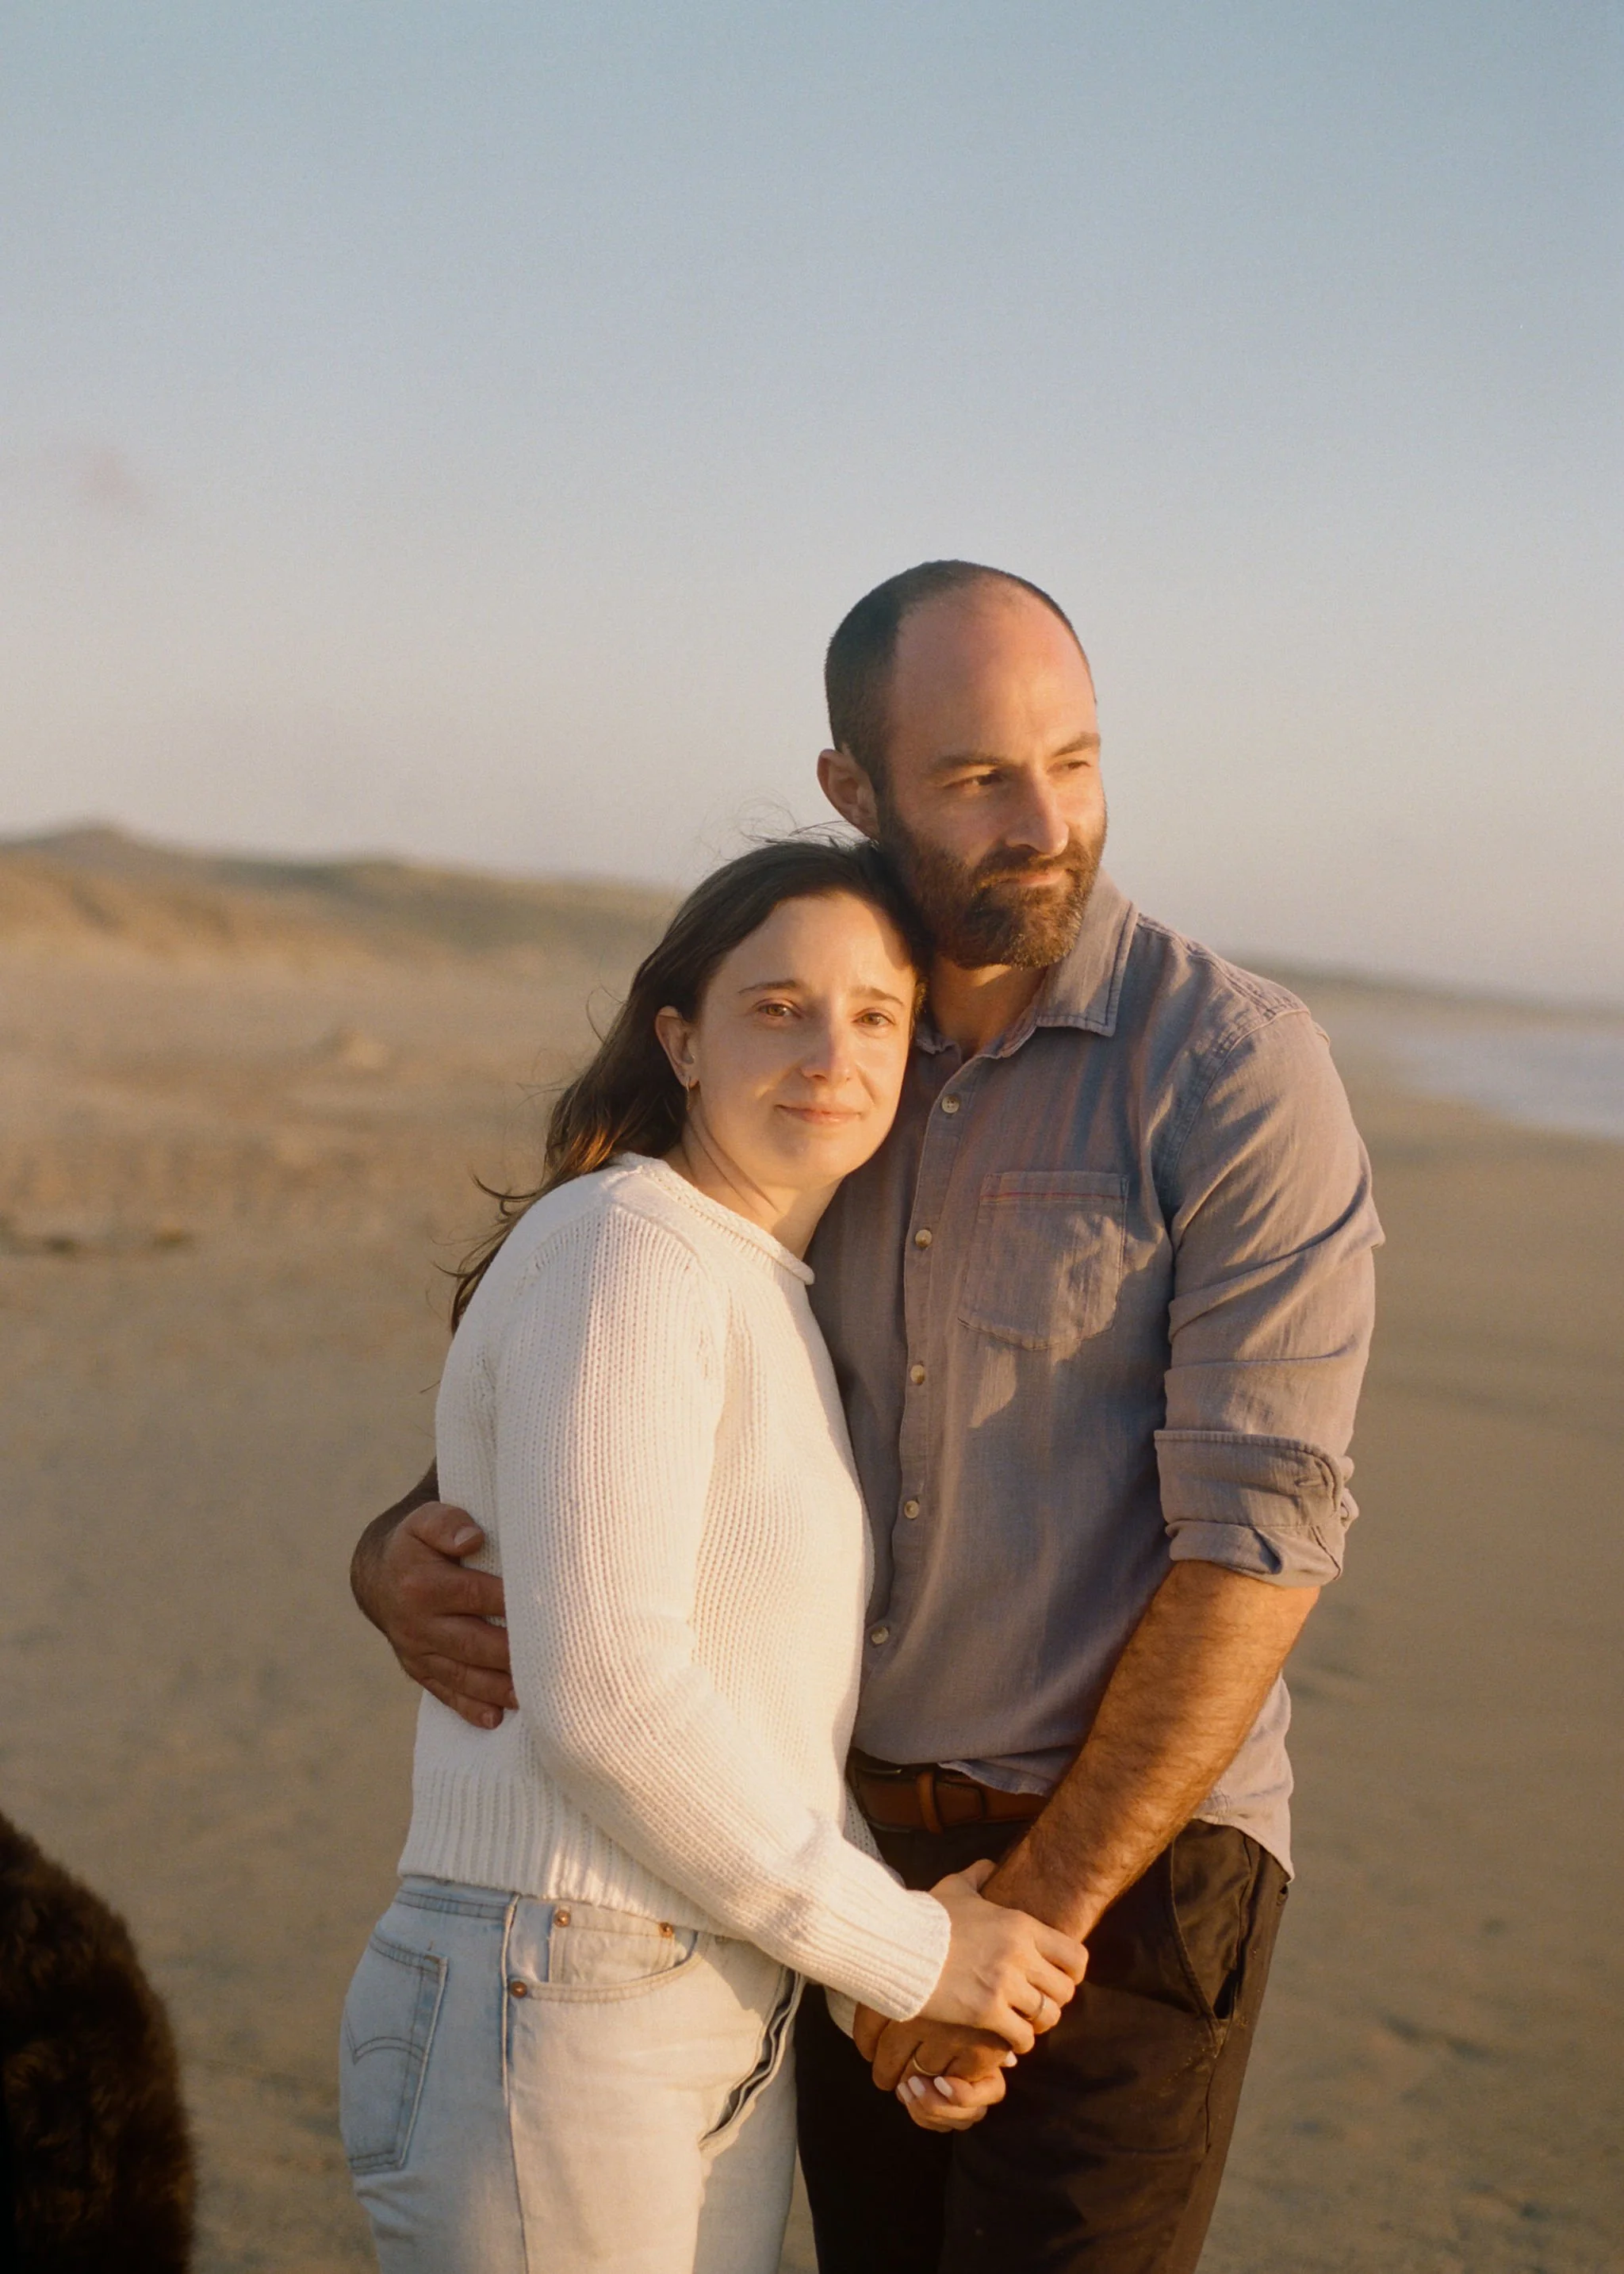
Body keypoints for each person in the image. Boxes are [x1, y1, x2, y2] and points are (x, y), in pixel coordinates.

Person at [352, 562, 1381, 2272]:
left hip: (1116, 1870)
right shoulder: (834, 1082)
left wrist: (1012, 1930)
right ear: (856, 788)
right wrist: (396, 1545)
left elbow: (1257, 1548)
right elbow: (615, 1387)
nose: (1043, 820)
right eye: (976, 776)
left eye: (1075, 757)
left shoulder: (1230, 1071)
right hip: (813, 1855)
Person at [338, 834, 1089, 2274]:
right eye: (777, 1006)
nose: (832, 1049)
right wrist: (915, 1956)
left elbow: (754, 1730)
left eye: (876, 1013)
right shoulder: (630, 1243)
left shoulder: (759, 1292)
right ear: (680, 1038)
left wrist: (885, 1985)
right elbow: (610, 1698)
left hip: (679, 2004)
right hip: (555, 1999)